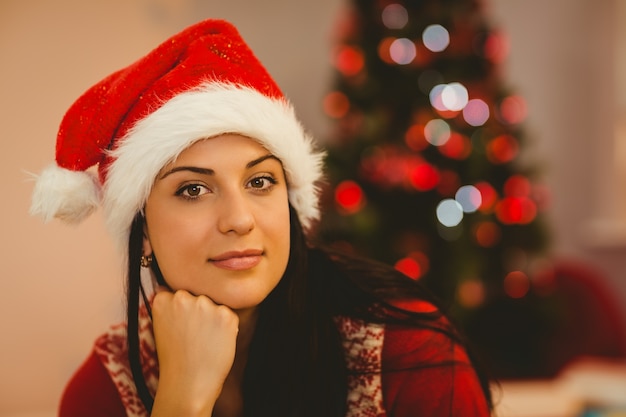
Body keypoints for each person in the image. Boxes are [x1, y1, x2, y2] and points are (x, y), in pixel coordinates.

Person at [30, 19, 492, 417]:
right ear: (143, 229)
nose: (239, 220)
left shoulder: (408, 354)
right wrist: (182, 400)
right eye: (193, 189)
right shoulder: (108, 388)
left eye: (259, 182)